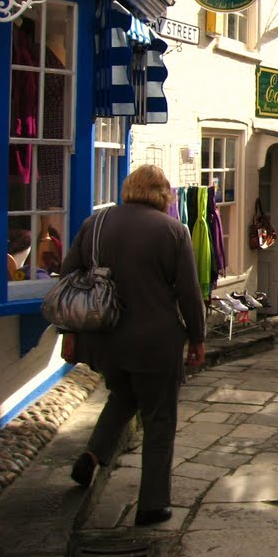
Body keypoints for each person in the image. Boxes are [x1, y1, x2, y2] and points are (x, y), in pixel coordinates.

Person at [62, 164, 205, 526]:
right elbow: (188, 292)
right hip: (155, 343)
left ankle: (92, 455)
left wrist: (70, 332)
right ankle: (152, 504)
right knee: (159, 420)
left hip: (107, 339)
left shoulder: (95, 224)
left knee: (123, 396)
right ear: (163, 194)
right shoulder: (173, 230)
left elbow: (69, 276)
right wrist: (197, 338)